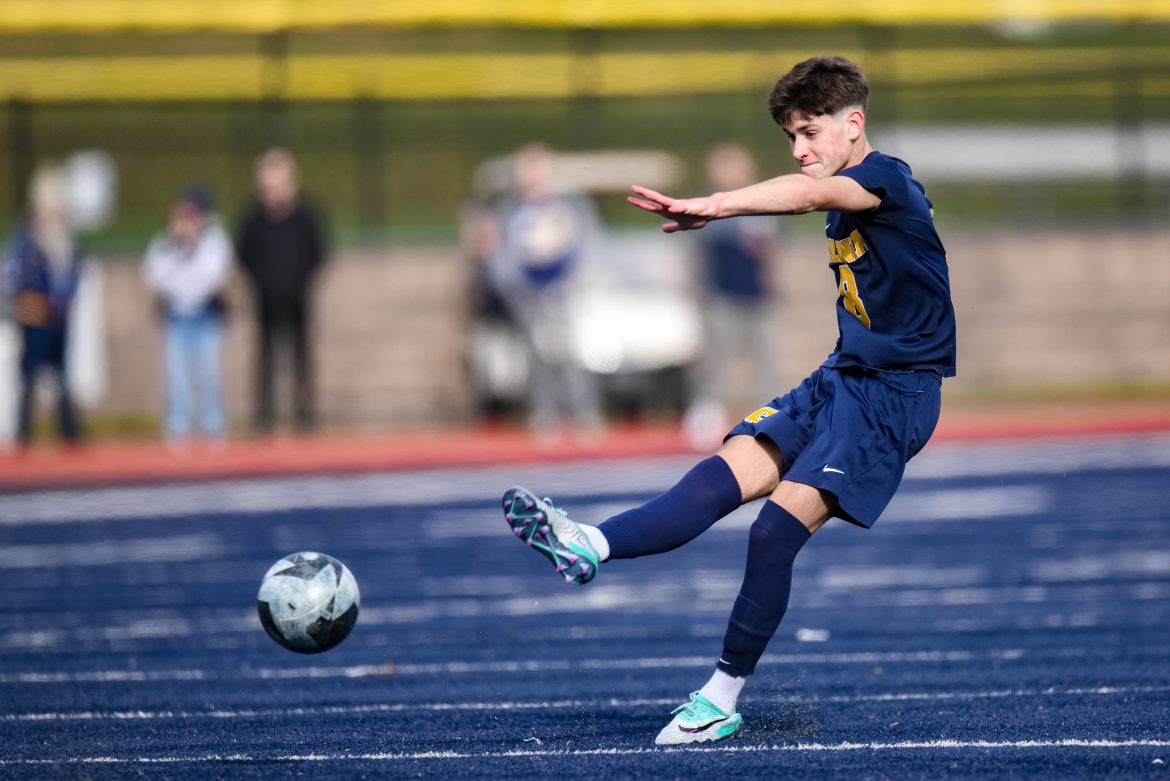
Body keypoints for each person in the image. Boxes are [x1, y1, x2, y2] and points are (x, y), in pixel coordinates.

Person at [501, 55, 956, 744]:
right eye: (790, 137)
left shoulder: (883, 178)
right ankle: (587, 543)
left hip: (892, 397)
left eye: (808, 132)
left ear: (853, 123)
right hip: (841, 377)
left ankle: (719, 697)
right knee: (719, 476)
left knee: (772, 532)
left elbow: (808, 197)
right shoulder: (845, 192)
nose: (800, 149)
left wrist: (716, 204)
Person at [491, 143, 603, 440]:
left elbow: (587, 243)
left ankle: (583, 414)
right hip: (528, 292)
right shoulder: (510, 209)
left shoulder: (570, 203)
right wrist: (511, 285)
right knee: (535, 357)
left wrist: (580, 280)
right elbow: (501, 253)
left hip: (563, 289)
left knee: (569, 353)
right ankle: (545, 415)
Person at [686, 143, 781, 448]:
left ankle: (770, 422)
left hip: (757, 296)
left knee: (765, 364)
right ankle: (707, 423)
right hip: (722, 297)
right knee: (716, 366)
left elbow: (773, 245)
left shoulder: (764, 202)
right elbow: (707, 245)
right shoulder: (708, 206)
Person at [236, 148, 328, 434]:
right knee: (265, 356)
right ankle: (265, 413)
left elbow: (318, 251)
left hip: (297, 296)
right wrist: (261, 281)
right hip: (265, 297)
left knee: (301, 355)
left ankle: (305, 411)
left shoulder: (305, 215)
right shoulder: (253, 218)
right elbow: (244, 255)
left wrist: (301, 280)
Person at [2, 164, 85, 446]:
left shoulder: (66, 239)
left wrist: (64, 301)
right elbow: (11, 271)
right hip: (35, 314)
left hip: (58, 317)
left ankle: (69, 434)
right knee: (28, 375)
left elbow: (72, 273)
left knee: (61, 376)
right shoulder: (27, 238)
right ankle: (24, 434)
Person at [143, 184, 232, 444]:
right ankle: (178, 424)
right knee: (177, 375)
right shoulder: (164, 244)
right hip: (176, 317)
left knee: (209, 371)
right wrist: (177, 248)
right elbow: (155, 277)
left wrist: (193, 248)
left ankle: (212, 424)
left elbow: (213, 276)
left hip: (205, 315)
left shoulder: (214, 240)